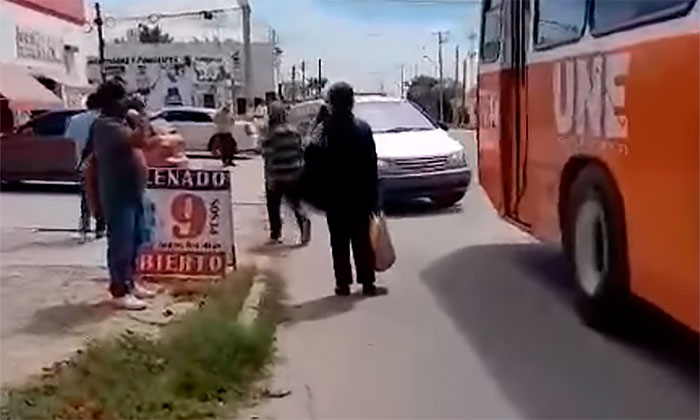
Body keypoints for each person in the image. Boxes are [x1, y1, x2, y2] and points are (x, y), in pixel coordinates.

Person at [91, 80, 156, 310]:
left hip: (134, 190)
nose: (124, 103)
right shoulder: (106, 125)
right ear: (111, 102)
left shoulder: (122, 122)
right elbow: (138, 140)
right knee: (122, 242)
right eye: (121, 99)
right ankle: (120, 289)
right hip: (118, 193)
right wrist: (140, 118)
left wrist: (141, 119)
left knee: (140, 238)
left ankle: (131, 281)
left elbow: (146, 142)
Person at [322, 82, 379, 296]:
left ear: (331, 103)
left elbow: (311, 156)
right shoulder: (363, 128)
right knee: (362, 239)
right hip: (361, 195)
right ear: (352, 102)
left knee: (339, 242)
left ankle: (343, 284)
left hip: (334, 196)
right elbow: (372, 165)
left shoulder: (324, 129)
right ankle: (367, 282)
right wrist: (375, 197)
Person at [262, 102, 311, 245]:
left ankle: (276, 234)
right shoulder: (294, 131)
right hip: (295, 174)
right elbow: (302, 152)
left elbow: (268, 157)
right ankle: (304, 225)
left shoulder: (270, 134)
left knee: (273, 205)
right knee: (296, 203)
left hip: (277, 176)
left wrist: (269, 177)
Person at [67, 93, 105, 243]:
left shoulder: (75, 120)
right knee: (101, 195)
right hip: (101, 162)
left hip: (83, 162)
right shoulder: (102, 121)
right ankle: (100, 228)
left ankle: (84, 226)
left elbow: (68, 139)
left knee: (86, 195)